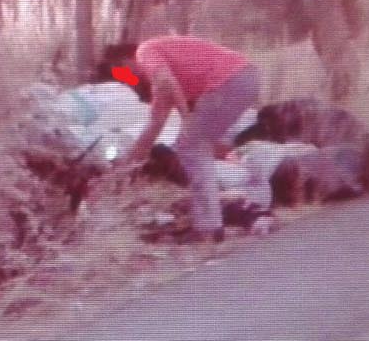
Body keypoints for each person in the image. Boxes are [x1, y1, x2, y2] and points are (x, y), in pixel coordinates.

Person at [99, 37, 261, 243]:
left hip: (232, 79)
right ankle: (211, 223)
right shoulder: (162, 82)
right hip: (243, 78)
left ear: (125, 61)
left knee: (191, 147)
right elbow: (154, 125)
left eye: (122, 72)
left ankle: (208, 228)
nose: (128, 79)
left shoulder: (145, 51)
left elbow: (167, 82)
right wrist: (127, 166)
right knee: (189, 147)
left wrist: (186, 117)